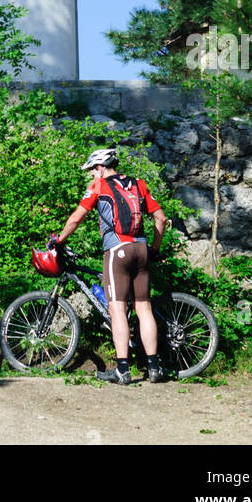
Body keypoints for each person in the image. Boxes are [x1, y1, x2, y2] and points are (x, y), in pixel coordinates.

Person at [48, 147, 167, 384]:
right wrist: (154, 248)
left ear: (100, 167)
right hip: (142, 249)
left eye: (92, 170)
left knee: (117, 311)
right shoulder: (138, 183)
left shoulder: (99, 186)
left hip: (117, 251)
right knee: (144, 309)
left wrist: (57, 241)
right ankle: (154, 368)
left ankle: (122, 370)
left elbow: (76, 218)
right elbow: (160, 218)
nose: (92, 175)